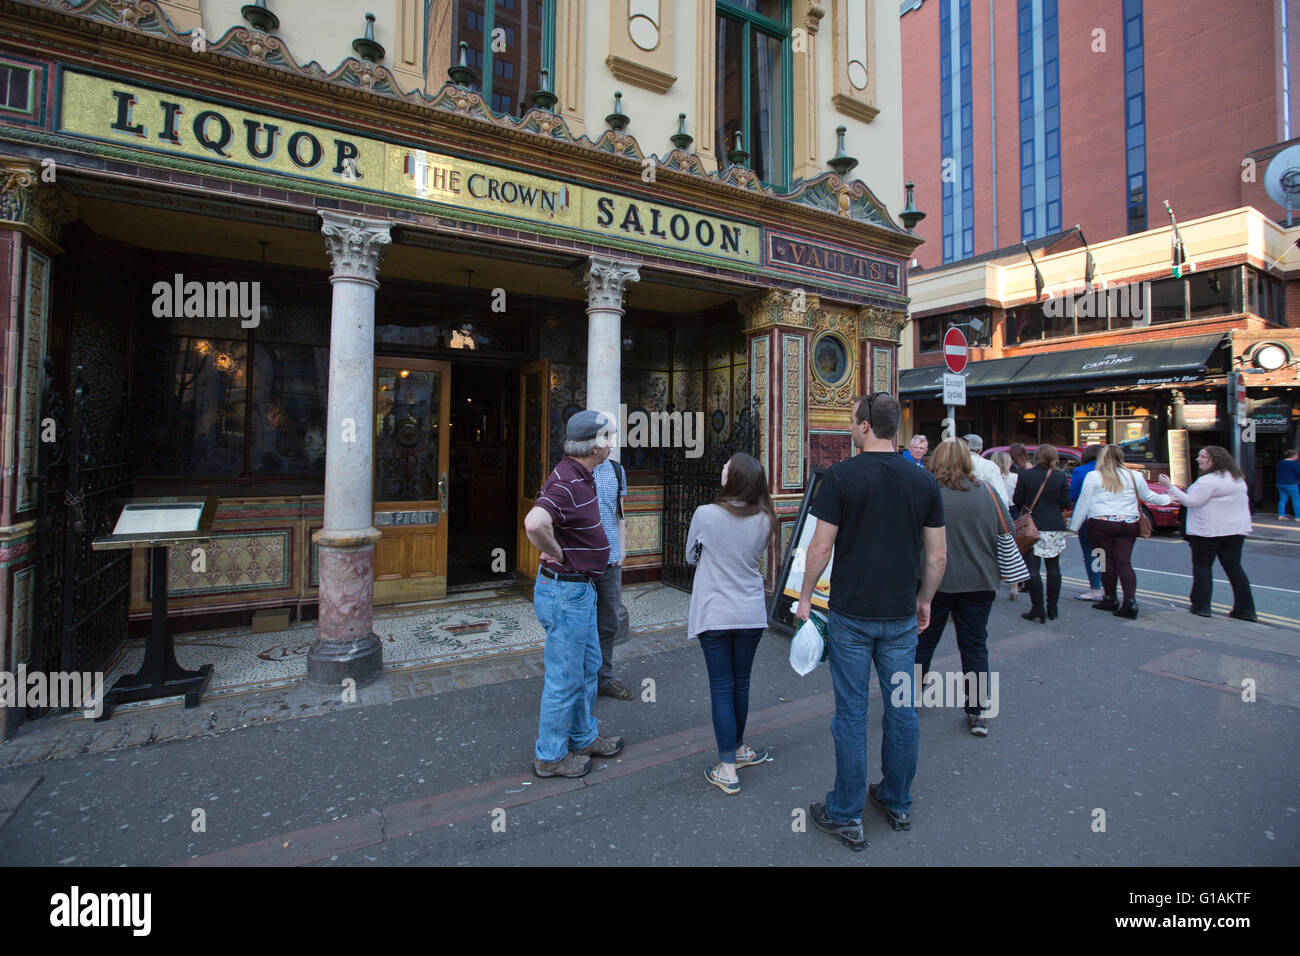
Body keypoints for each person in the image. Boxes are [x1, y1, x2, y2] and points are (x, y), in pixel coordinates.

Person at [797, 392, 946, 851]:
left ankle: (846, 813)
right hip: (900, 614)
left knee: (851, 713)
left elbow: (821, 547)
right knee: (901, 710)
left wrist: (805, 597)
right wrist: (925, 600)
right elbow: (937, 556)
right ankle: (897, 800)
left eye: (851, 419)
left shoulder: (841, 477)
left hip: (851, 615)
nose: (849, 425)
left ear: (865, 426)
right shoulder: (923, 481)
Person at [523, 410, 625, 778]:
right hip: (565, 592)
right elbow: (534, 522)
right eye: (607, 437)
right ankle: (550, 755)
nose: (611, 443)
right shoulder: (566, 480)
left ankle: (583, 736)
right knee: (565, 678)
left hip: (580, 591)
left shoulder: (582, 475)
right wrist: (560, 553)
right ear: (594, 446)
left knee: (586, 668)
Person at [685, 452, 775, 794]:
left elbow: (689, 556)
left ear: (734, 478)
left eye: (727, 467)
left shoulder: (705, 514)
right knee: (742, 683)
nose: (722, 469)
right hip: (750, 611)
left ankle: (727, 769)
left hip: (715, 611)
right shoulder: (766, 518)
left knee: (722, 687)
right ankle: (738, 748)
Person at [916, 439, 1012, 736]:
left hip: (935, 582)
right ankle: (977, 711)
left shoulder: (928, 494)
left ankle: (911, 695)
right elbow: (1006, 529)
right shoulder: (988, 493)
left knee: (923, 641)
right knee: (974, 646)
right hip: (980, 580)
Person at [1069, 444, 1171, 619]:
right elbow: (1148, 497)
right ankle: (1130, 602)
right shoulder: (1134, 475)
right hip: (1128, 524)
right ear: (1121, 457)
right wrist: (1167, 498)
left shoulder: (1094, 476)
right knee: (1124, 563)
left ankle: (1110, 598)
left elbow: (1084, 502)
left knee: (1103, 562)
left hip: (1100, 525)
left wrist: (1075, 526)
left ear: (1102, 458)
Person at [1159, 447, 1257, 622]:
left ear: (1214, 459)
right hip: (1235, 531)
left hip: (1207, 531)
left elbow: (1191, 501)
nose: (1198, 459)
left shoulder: (1207, 481)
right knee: (1234, 569)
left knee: (1202, 567)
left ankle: (1201, 606)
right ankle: (1245, 609)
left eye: (1203, 457)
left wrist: (1169, 486)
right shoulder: (1237, 478)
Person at [1013, 444, 1072, 623]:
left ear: (1037, 457)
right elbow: (1065, 502)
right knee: (1054, 568)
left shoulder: (1025, 475)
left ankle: (1037, 608)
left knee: (1033, 570)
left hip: (1033, 526)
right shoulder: (1060, 476)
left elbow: (1017, 499)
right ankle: (1052, 607)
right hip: (1054, 525)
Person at [592, 452, 632, 700]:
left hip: (610, 559)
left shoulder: (616, 470)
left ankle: (604, 680)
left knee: (608, 623)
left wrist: (622, 548)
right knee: (580, 625)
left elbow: (620, 514)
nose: (608, 442)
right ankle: (582, 682)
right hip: (580, 564)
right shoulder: (572, 470)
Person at [1070, 444, 1105, 601]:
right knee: (1105, 553)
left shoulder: (1081, 471)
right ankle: (1107, 588)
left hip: (1089, 518)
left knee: (1092, 553)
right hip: (1111, 518)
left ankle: (1096, 588)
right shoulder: (1114, 471)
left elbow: (1073, 495)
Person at [991, 451, 1020, 602]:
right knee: (1011, 550)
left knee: (994, 551)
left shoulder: (990, 477)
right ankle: (1014, 587)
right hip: (1012, 512)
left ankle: (994, 586)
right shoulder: (1015, 478)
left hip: (994, 511)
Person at [964, 434, 1010, 505]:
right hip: (983, 508)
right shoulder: (990, 466)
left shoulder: (953, 463)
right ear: (981, 449)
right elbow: (1001, 496)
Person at [1277, 449, 1300, 520]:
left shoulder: (1280, 463)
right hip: (1291, 484)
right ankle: (1298, 516)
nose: (1297, 456)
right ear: (1293, 456)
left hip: (1280, 483)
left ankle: (1281, 515)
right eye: (1297, 455)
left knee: (1282, 499)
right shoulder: (1294, 463)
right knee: (1296, 500)